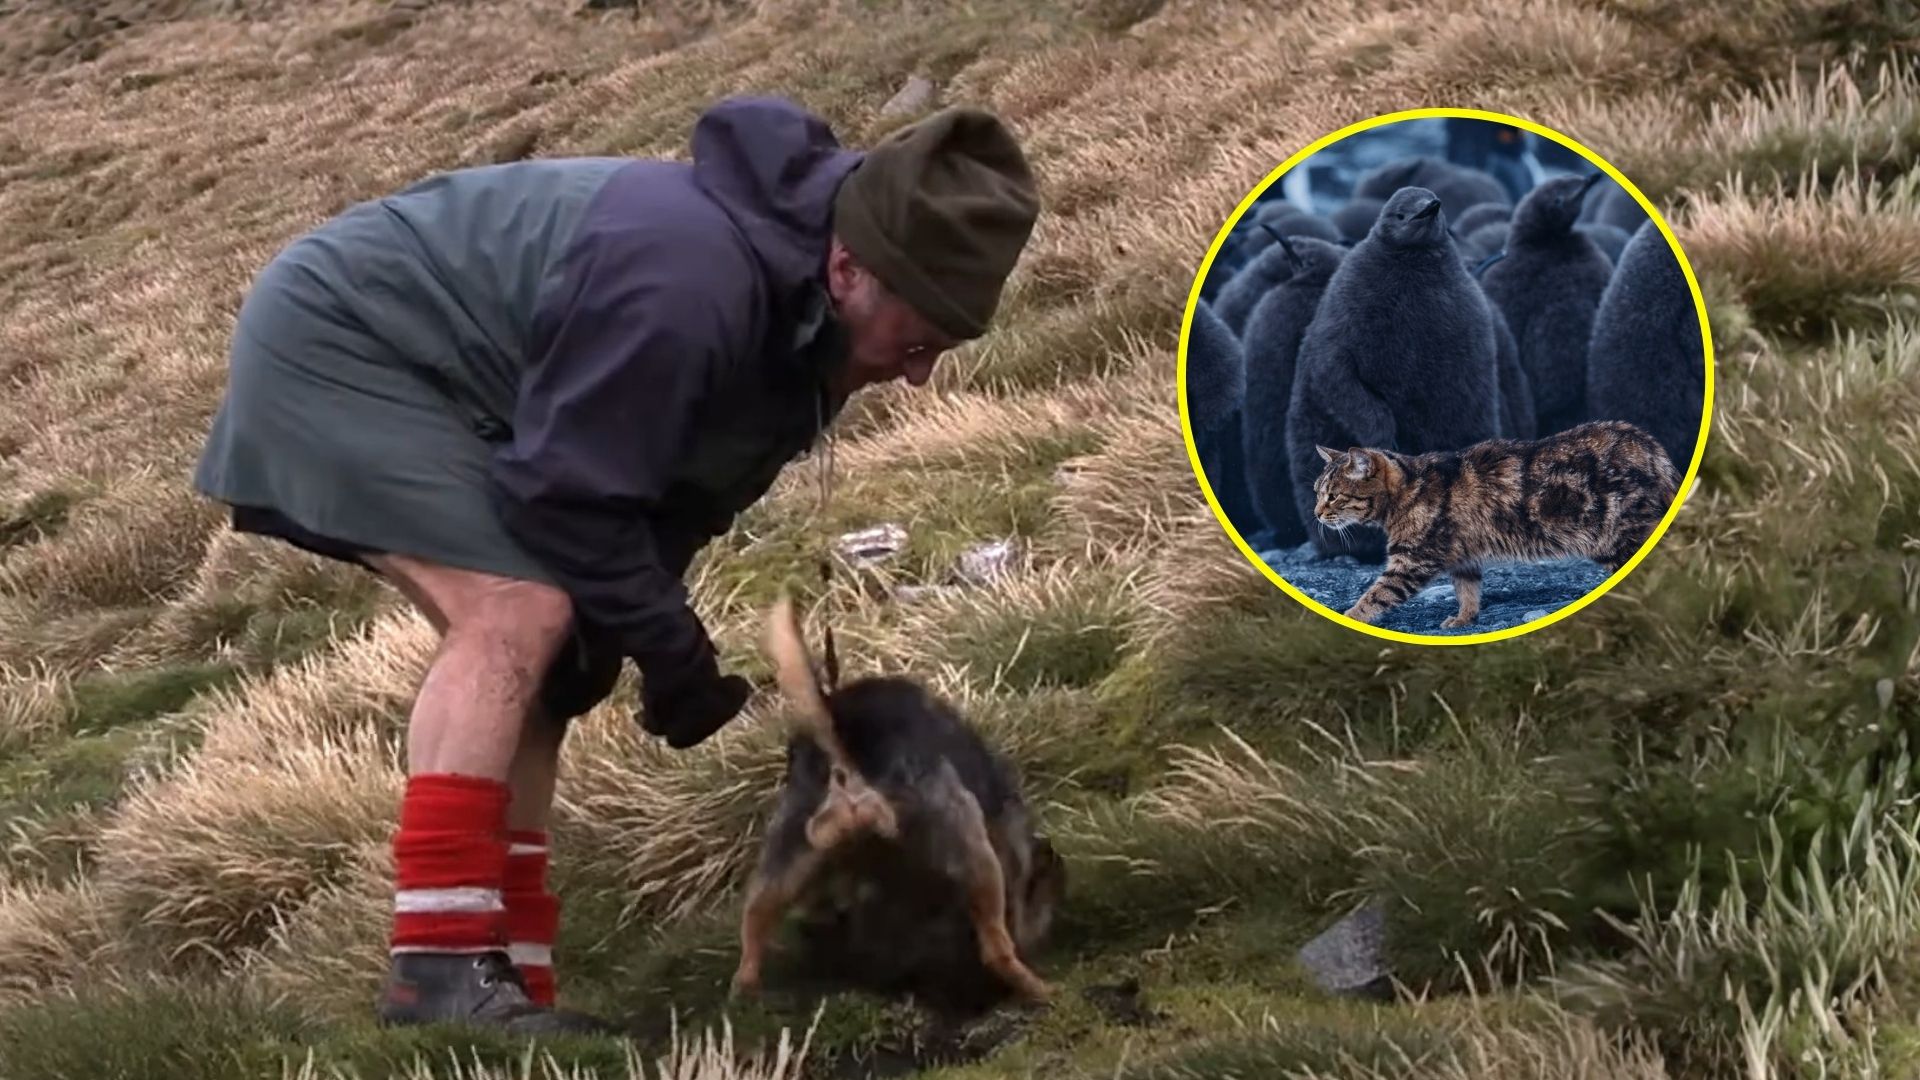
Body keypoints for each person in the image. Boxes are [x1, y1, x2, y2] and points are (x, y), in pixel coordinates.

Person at [189, 94, 1040, 1033]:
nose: (919, 375)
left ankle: (509, 987)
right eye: (916, 343)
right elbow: (567, 495)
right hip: (348, 343)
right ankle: (437, 978)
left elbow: (665, 496)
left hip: (477, 391)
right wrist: (671, 649)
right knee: (517, 614)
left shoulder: (810, 335)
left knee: (557, 658)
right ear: (847, 268)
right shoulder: (689, 286)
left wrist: (624, 628)